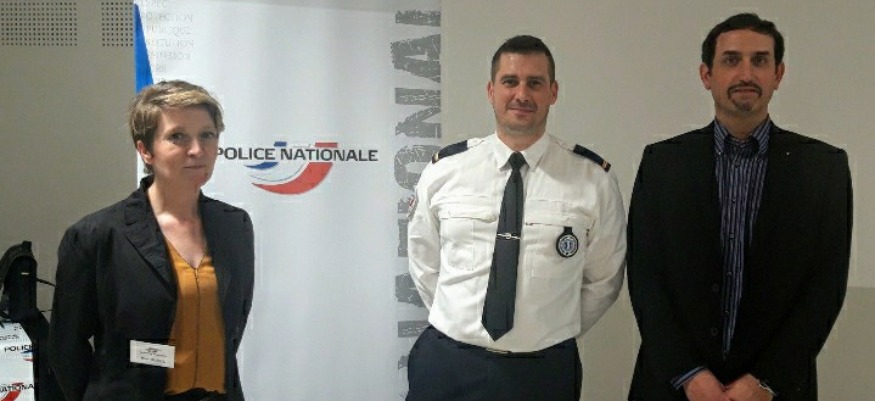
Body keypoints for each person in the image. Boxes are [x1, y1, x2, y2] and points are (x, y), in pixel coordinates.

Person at [627, 13, 852, 401]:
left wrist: (765, 381)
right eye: (731, 60)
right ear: (706, 75)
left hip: (775, 391)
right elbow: (646, 276)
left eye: (760, 60)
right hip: (673, 387)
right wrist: (690, 375)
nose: (746, 73)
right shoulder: (662, 164)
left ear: (778, 74)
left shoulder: (823, 168)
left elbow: (825, 287)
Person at [406, 35, 626, 401]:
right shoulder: (445, 171)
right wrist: (460, 323)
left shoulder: (593, 180)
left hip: (542, 370)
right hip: (449, 362)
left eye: (535, 83)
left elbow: (604, 279)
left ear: (553, 92)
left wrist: (545, 331)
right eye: (510, 81)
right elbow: (423, 261)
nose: (522, 94)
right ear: (491, 90)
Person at [48, 80, 255, 401]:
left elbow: (231, 329)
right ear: (145, 150)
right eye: (177, 136)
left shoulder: (235, 226)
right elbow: (66, 348)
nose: (197, 150)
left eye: (207, 135)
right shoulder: (96, 236)